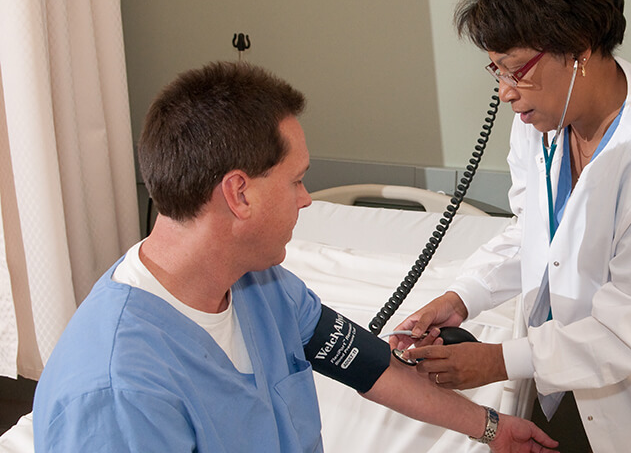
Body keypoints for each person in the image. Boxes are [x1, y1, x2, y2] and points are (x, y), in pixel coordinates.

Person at [31, 61, 558, 453]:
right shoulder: (120, 392)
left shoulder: (264, 289)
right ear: (238, 194)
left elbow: (370, 368)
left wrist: (492, 428)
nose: (307, 199)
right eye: (297, 180)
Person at [389, 0, 631, 452]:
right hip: (572, 379)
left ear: (580, 49)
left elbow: (629, 332)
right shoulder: (543, 120)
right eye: (495, 70)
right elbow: (536, 233)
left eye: (515, 69)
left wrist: (497, 361)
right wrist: (464, 296)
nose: (504, 91)